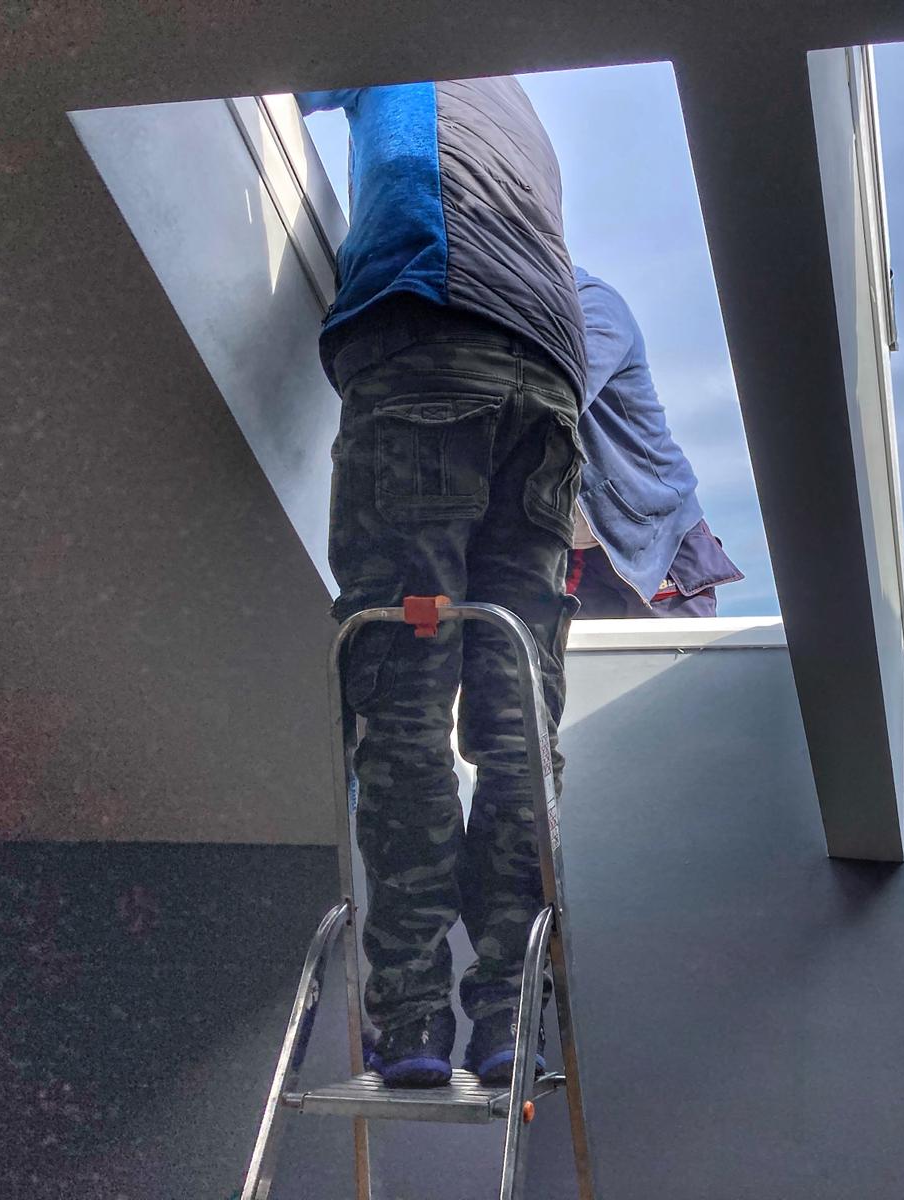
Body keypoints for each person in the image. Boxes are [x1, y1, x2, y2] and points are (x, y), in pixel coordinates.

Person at [298, 78, 584, 1089]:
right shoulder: (523, 110)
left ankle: (412, 1020)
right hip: (549, 375)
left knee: (403, 704)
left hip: (427, 330)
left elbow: (279, 59)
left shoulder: (400, 40)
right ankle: (512, 1016)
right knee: (516, 725)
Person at [566, 266, 743, 617]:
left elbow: (558, 394)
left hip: (653, 539)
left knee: (679, 653)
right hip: (571, 551)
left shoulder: (592, 303)